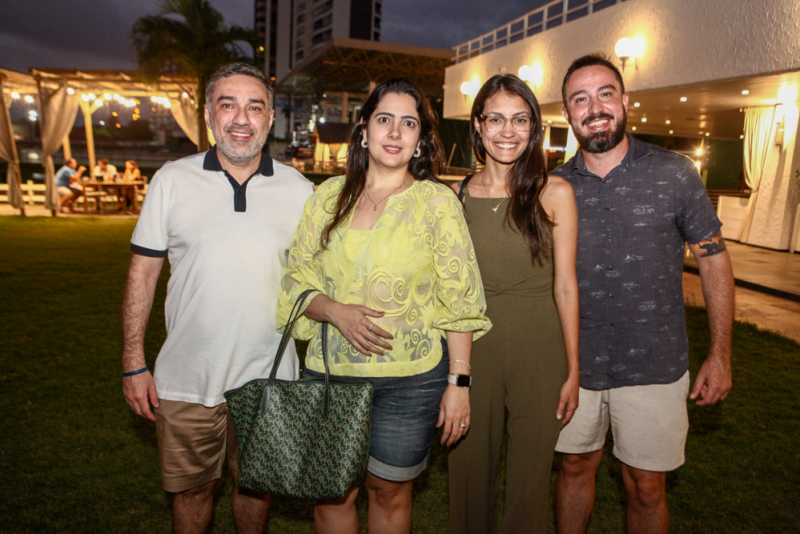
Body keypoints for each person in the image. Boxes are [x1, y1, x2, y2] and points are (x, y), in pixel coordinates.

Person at [278, 77, 491, 534]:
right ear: (363, 129)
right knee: (332, 492)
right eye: (384, 120)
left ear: (419, 139)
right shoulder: (326, 199)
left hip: (411, 384)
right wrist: (334, 310)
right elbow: (296, 280)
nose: (395, 132)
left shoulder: (438, 204)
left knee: (390, 492)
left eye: (408, 123)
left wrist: (459, 383)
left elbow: (460, 301)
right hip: (332, 376)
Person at [121, 63, 313, 534]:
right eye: (228, 105)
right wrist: (132, 359)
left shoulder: (301, 190)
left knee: (255, 487)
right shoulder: (171, 180)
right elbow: (143, 272)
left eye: (255, 106)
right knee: (191, 490)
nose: (241, 118)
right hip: (186, 377)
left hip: (269, 378)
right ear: (209, 115)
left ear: (271, 119)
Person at [551, 54, 734, 534]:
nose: (595, 107)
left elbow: (714, 259)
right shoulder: (552, 187)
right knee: (573, 468)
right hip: (574, 364)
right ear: (567, 114)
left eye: (605, 93)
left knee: (646, 486)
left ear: (625, 101)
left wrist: (721, 354)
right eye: (580, 99)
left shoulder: (675, 174)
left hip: (654, 363)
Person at [447, 74, 580, 534]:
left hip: (540, 354)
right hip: (474, 352)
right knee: (468, 474)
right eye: (496, 119)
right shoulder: (456, 197)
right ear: (478, 126)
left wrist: (573, 369)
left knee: (529, 486)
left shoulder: (555, 192)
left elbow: (566, 286)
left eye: (520, 120)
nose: (508, 131)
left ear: (534, 128)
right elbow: (448, 291)